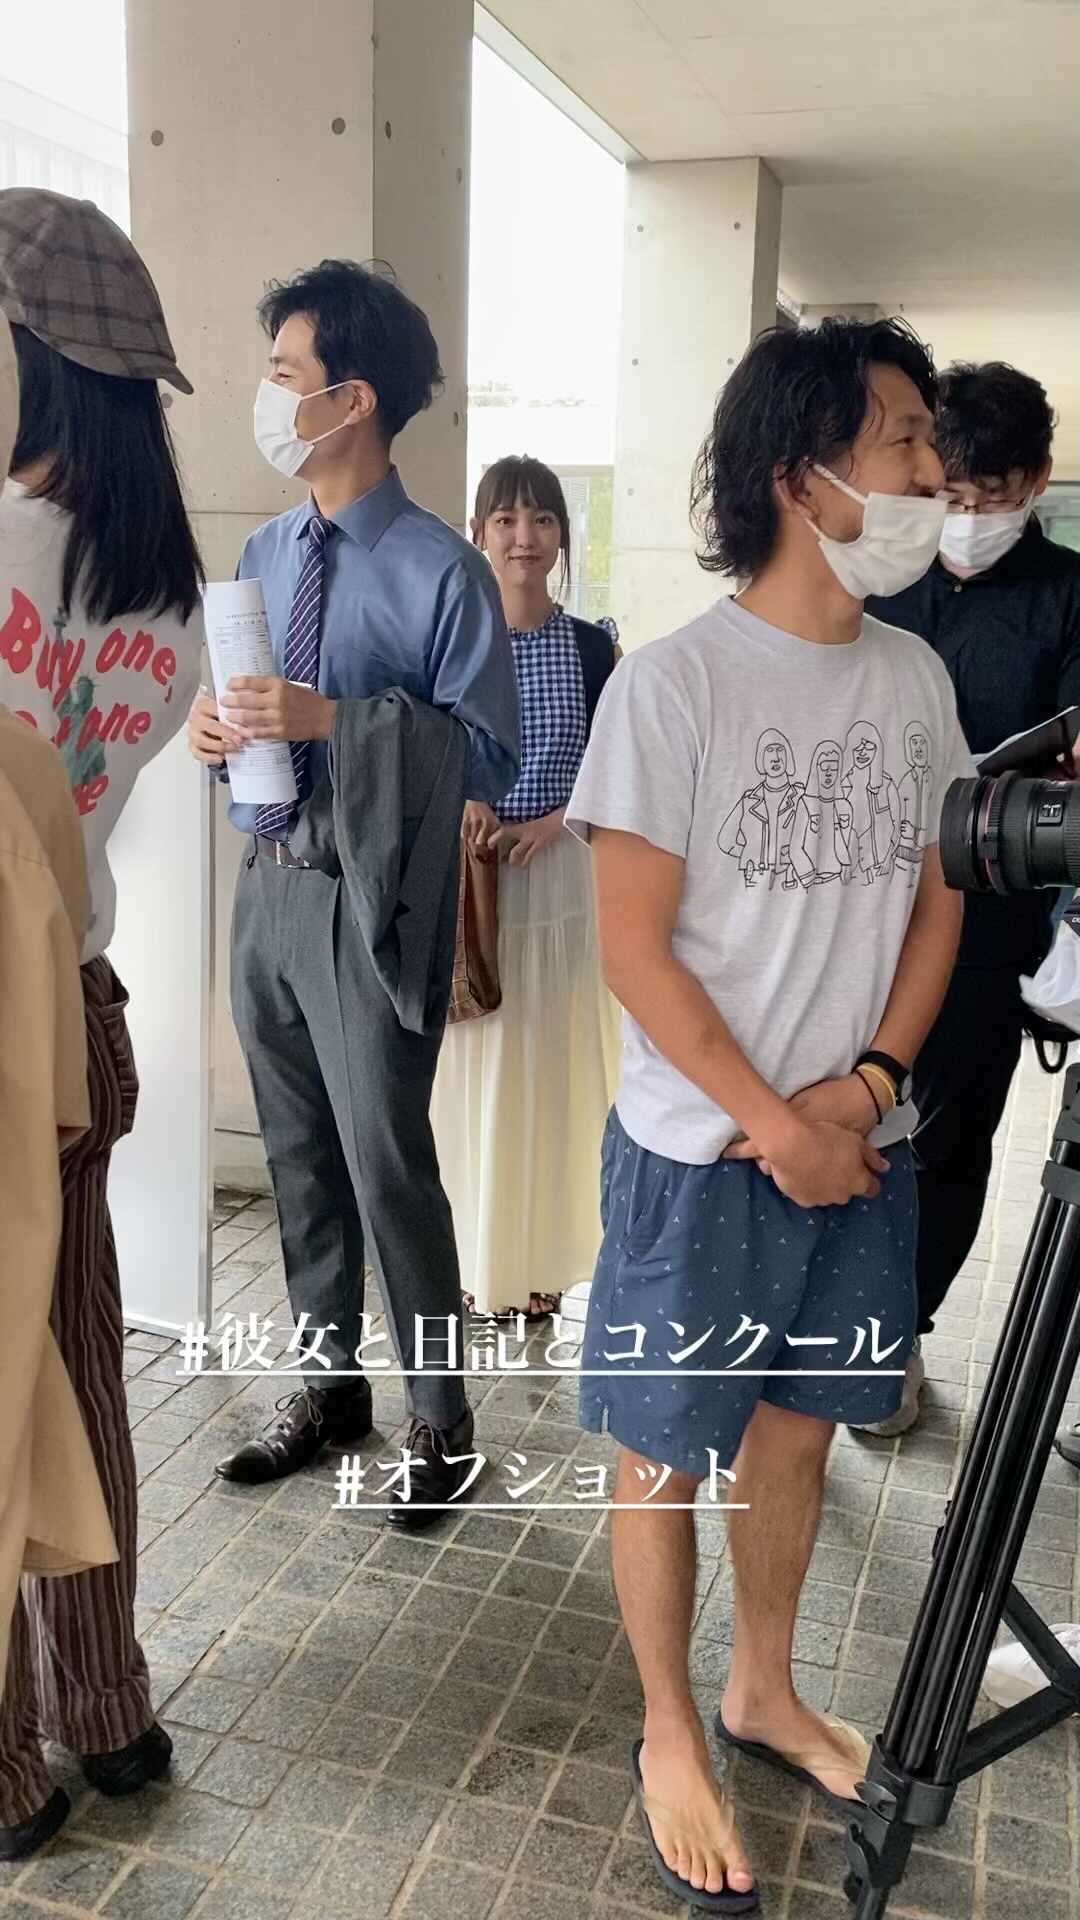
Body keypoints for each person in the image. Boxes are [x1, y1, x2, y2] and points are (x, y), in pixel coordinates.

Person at [566, 316, 973, 1909]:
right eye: (904, 441)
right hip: (703, 1159)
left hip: (861, 1148)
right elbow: (632, 949)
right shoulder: (672, 688)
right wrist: (775, 1118)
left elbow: (940, 901)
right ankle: (669, 1726)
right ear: (803, 477)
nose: (932, 471)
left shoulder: (916, 677)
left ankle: (763, 1689)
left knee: (797, 1437)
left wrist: (865, 1089)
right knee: (668, 1450)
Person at [187, 260, 519, 1516]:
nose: (267, 395)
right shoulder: (265, 551)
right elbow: (241, 705)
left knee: (387, 1165)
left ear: (353, 398)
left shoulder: (443, 570)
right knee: (297, 1157)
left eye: (286, 373)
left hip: (371, 904)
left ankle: (443, 1418)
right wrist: (214, 731)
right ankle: (330, 1389)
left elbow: (488, 754)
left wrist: (338, 718)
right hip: (266, 889)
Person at [0, 189, 203, 1854]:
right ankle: (106, 1704)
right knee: (75, 1363)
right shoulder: (168, 588)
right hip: (82, 1003)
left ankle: (8, 1766)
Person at [863, 361, 1080, 1438]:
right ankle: (829, 1322)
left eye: (990, 494)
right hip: (858, 907)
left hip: (987, 922)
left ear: (1035, 481)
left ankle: (898, 1334)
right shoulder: (883, 577)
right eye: (949, 491)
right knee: (853, 1116)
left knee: (948, 1138)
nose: (966, 515)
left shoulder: (1069, 595)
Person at [431, 456, 620, 1320]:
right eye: (505, 520)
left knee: (555, 1071)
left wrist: (560, 819)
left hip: (563, 881)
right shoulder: (451, 642)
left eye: (542, 519)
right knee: (479, 1066)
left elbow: (620, 766)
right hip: (477, 882)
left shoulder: (591, 646)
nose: (524, 537)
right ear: (477, 534)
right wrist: (467, 798)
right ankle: (478, 1259)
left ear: (562, 537)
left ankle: (542, 1264)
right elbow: (428, 750)